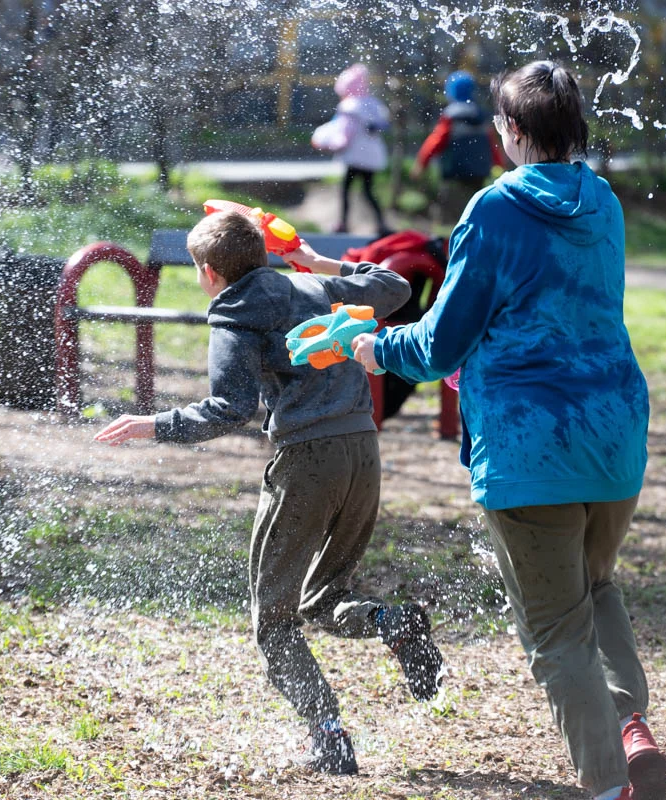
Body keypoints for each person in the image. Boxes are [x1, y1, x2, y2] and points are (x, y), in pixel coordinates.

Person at [351, 60, 666, 800]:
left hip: (534, 450)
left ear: (515, 132)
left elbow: (439, 345)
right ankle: (630, 727)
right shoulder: (604, 201)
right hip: (616, 436)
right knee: (594, 587)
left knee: (557, 634)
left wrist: (375, 348)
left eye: (500, 124)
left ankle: (608, 786)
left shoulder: (495, 208)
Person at [94, 210, 441, 776]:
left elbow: (228, 408)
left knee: (273, 622)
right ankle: (391, 623)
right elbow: (397, 286)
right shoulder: (312, 284)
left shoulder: (235, 309)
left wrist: (150, 424)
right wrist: (315, 261)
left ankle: (327, 734)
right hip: (363, 451)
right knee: (323, 600)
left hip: (307, 463)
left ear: (208, 272)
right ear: (262, 255)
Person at [411, 70, 506, 225]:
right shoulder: (480, 115)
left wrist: (421, 163)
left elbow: (435, 142)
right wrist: (499, 165)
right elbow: (491, 143)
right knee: (475, 212)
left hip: (455, 173)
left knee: (453, 216)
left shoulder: (451, 116)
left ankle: (450, 244)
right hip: (479, 173)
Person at [312, 63, 392, 235]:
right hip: (372, 157)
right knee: (368, 191)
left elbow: (345, 134)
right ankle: (381, 224)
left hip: (355, 156)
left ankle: (343, 224)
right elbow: (383, 123)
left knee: (346, 189)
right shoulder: (372, 103)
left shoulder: (349, 106)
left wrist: (329, 144)